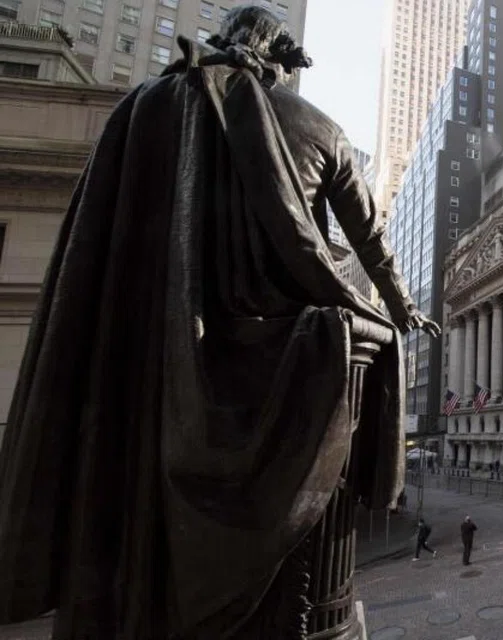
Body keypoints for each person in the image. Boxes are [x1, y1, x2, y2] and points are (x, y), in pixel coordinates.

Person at [0, 6, 440, 637]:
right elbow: (370, 238)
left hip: (163, 352)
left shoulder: (149, 106)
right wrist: (400, 311)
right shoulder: (321, 128)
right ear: (283, 62)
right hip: (286, 354)